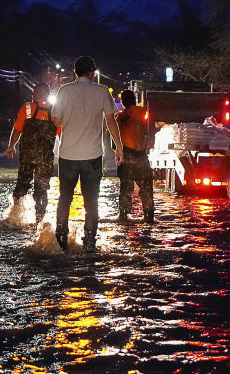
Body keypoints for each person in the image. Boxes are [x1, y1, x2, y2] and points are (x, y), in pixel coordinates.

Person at [51, 56, 124, 253]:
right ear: (92, 72)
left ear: (75, 72)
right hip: (92, 156)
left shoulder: (64, 91)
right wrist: (119, 147)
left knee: (64, 197)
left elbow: (56, 120)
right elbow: (111, 121)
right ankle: (90, 241)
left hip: (67, 155)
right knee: (91, 200)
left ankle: (61, 236)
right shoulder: (101, 91)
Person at [6, 83, 57, 222]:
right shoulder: (55, 112)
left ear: (35, 94)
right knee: (41, 190)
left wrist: (11, 146)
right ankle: (39, 221)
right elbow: (61, 135)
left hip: (27, 158)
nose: (34, 95)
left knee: (21, 186)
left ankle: (15, 216)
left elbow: (17, 129)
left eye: (35, 93)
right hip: (45, 160)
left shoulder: (26, 108)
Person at [115, 89, 154, 224]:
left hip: (126, 157)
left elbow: (115, 141)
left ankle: (123, 216)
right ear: (134, 100)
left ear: (123, 102)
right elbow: (146, 129)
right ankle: (149, 217)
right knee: (146, 188)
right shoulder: (143, 112)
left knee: (125, 189)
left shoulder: (120, 118)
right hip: (141, 155)